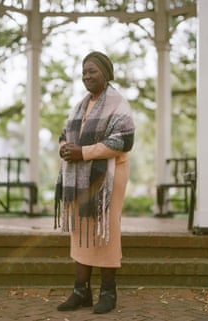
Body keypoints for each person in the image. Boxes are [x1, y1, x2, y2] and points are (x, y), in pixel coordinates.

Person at [54, 51, 135, 314]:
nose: (87, 76)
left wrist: (83, 152)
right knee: (81, 230)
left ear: (106, 73)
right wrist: (65, 148)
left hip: (109, 177)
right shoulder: (81, 104)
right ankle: (81, 291)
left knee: (105, 230)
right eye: (84, 72)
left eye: (93, 71)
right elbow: (65, 134)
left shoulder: (118, 103)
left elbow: (123, 140)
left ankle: (108, 292)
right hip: (79, 177)